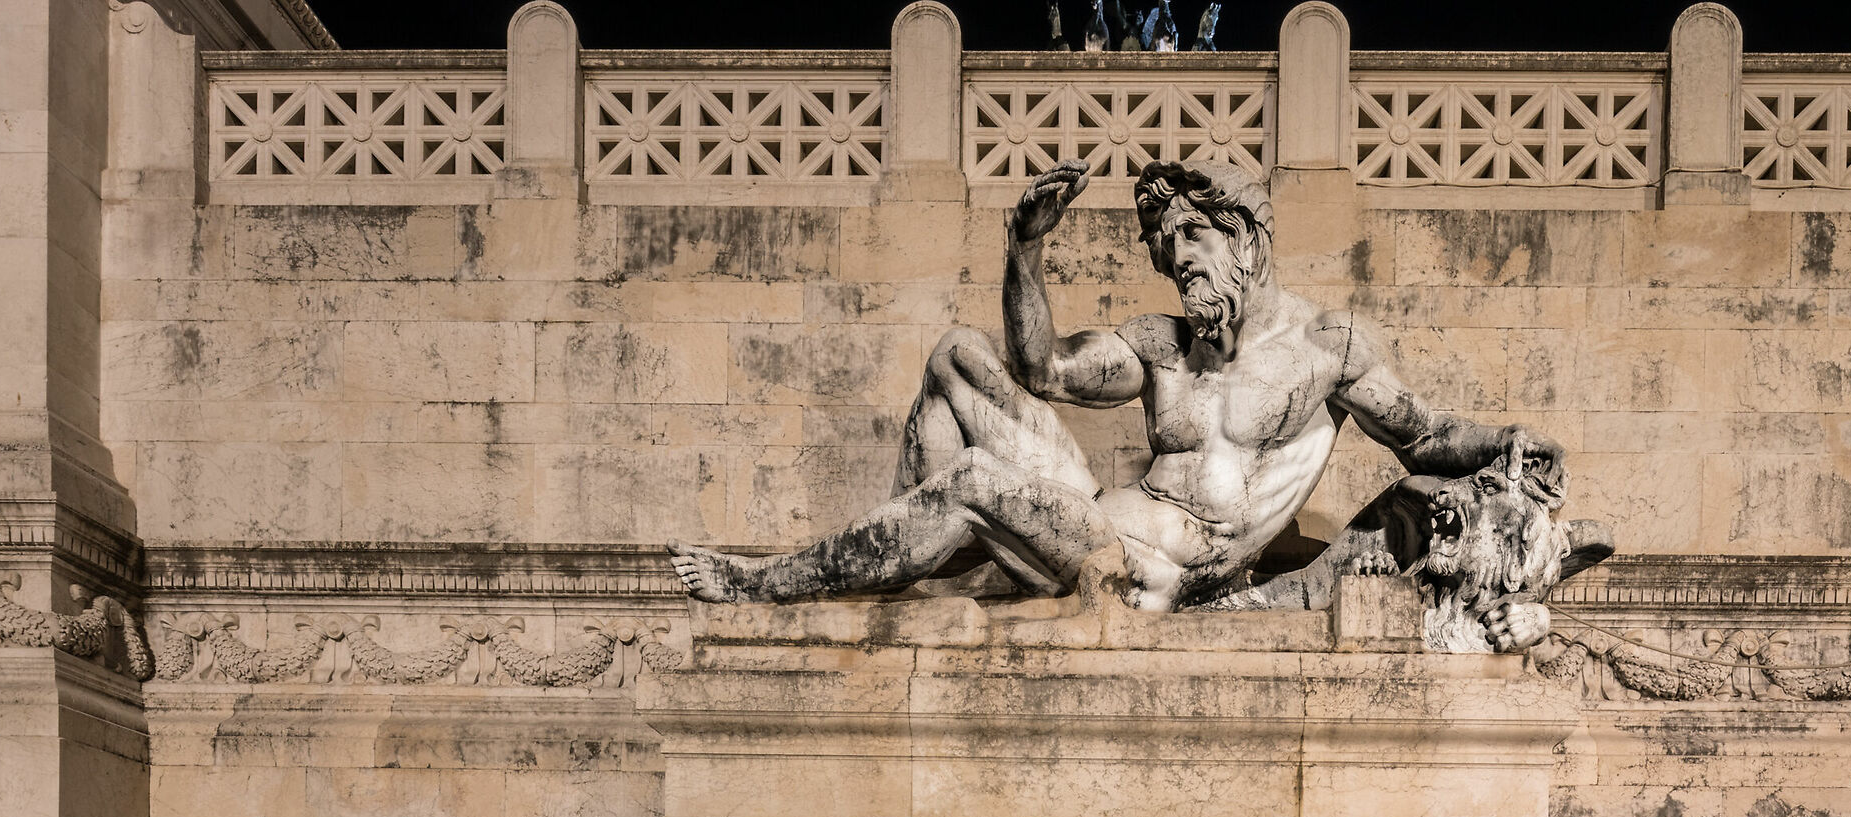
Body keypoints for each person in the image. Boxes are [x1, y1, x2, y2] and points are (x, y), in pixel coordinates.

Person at [668, 159, 1564, 614]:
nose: (1183, 277)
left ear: (1246, 241)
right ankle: (914, 578)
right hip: (1096, 520)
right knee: (956, 356)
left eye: (1195, 252)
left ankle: (774, 585)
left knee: (977, 484)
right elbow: (1042, 369)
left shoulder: (1330, 350)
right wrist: (1024, 249)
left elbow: (1424, 435)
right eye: (1172, 264)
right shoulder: (1160, 345)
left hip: (1154, 565)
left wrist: (1505, 442)